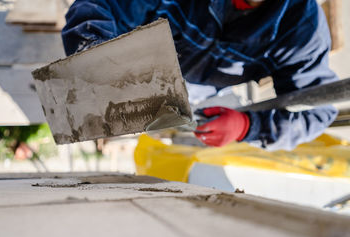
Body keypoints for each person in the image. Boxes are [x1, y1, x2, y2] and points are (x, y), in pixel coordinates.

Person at [61, 0, 338, 151]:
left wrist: (247, 127)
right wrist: (96, 58)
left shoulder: (303, 28)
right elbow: (99, 6)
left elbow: (317, 110)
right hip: (125, 64)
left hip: (186, 96)